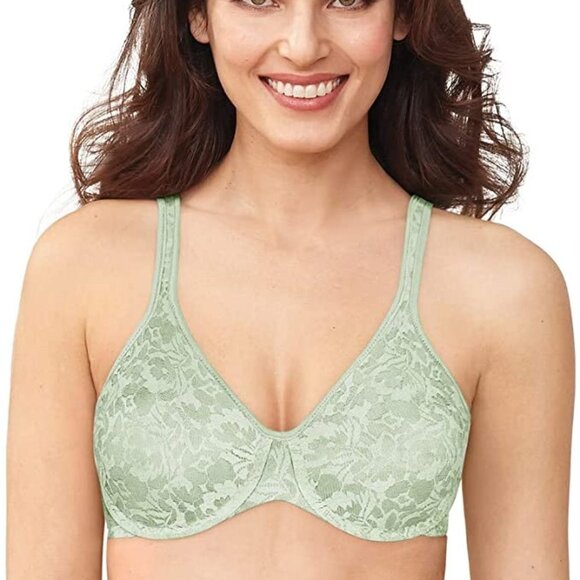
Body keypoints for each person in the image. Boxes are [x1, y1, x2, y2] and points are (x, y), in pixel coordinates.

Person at [7, 0, 574, 578]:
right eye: (259, 0)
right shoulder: (83, 268)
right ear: (198, 15)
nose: (303, 46)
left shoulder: (504, 291)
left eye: (347, 0)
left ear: (403, 15)